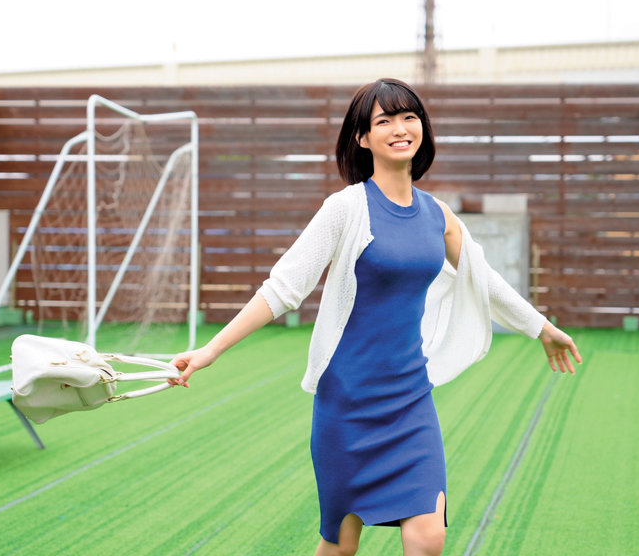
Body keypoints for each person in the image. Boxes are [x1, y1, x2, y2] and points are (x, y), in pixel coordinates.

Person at [169, 78, 582, 556]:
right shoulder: (345, 208)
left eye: (409, 117)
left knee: (428, 537)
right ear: (363, 138)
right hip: (347, 402)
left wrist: (542, 328)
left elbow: (483, 278)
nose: (400, 128)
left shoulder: (438, 215)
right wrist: (211, 350)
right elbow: (284, 287)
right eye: (384, 121)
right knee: (341, 546)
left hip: (410, 398)